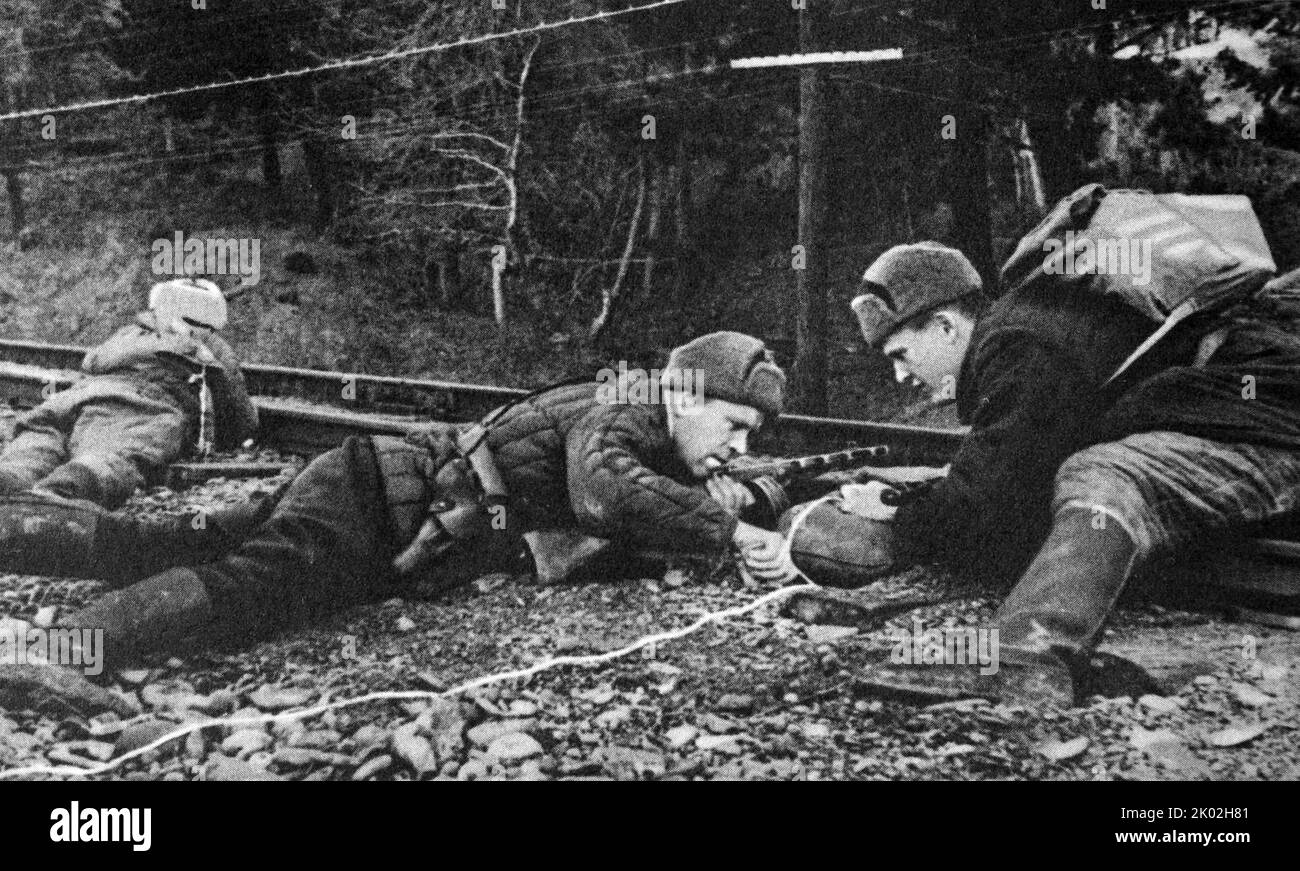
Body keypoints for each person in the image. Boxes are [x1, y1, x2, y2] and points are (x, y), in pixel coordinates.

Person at [0, 331, 797, 714]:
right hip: (385, 502)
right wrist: (732, 532)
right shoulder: (621, 410)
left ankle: (15, 534)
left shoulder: (633, 414)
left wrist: (750, 496)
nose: (737, 444)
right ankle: (57, 648)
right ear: (685, 395)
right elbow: (605, 493)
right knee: (251, 589)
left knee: (176, 541)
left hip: (374, 482)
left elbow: (635, 492)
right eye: (733, 424)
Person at [841, 239, 1300, 707]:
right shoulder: (1035, 322)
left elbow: (990, 507)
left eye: (900, 354)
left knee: (1107, 474)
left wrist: (899, 516)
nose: (900, 376)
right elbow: (1009, 473)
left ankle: (1026, 652)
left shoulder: (1021, 343)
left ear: (944, 326)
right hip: (1252, 408)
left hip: (1270, 424)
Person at [0, 278, 258, 508]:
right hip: (144, 405)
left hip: (79, 395)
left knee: (40, 439)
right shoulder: (211, 348)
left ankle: (12, 476)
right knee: (110, 457)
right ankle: (57, 501)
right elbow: (241, 419)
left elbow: (92, 362)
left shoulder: (131, 332)